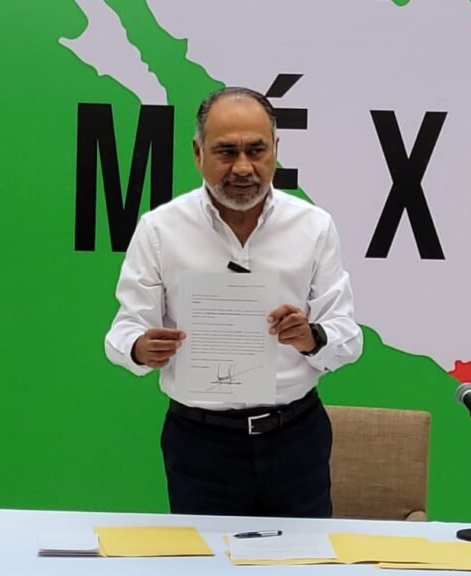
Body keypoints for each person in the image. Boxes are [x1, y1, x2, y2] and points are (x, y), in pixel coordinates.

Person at [104, 86, 363, 518]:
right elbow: (123, 331)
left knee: (302, 555)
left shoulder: (314, 227)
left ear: (276, 150)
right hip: (201, 443)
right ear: (198, 153)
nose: (243, 167)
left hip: (295, 438)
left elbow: (348, 337)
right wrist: (139, 348)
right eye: (226, 151)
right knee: (203, 555)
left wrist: (312, 337)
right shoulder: (159, 230)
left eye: (256, 150)